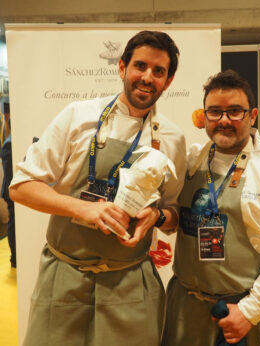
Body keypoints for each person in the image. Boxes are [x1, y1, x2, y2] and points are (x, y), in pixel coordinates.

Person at [9, 30, 186, 346]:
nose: (147, 77)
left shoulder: (172, 139)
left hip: (130, 282)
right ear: (122, 67)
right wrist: (84, 208)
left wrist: (157, 217)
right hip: (64, 276)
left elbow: (174, 213)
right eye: (140, 66)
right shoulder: (78, 117)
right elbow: (21, 186)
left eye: (159, 71)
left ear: (168, 81)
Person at [162, 70, 260, 346]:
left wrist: (250, 311)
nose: (224, 121)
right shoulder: (190, 161)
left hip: (241, 315)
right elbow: (172, 219)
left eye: (234, 112)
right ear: (204, 116)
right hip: (184, 309)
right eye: (215, 112)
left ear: (252, 116)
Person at [0, 103, 16, 267]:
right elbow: (10, 174)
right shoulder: (9, 145)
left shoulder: (11, 142)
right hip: (12, 191)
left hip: (13, 189)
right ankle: (14, 258)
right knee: (14, 222)